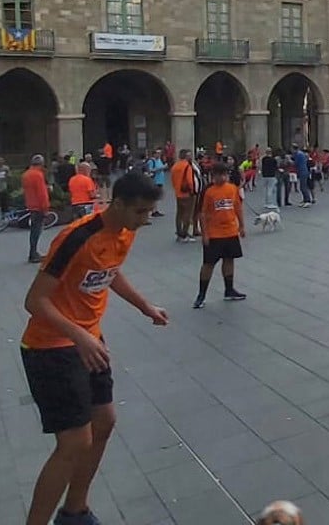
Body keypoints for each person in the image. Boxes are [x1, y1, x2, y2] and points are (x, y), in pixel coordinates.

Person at [20, 173, 168, 525]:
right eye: (140, 212)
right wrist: (80, 336)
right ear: (117, 204)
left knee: (104, 421)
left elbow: (110, 272)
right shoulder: (75, 238)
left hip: (89, 341)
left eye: (149, 213)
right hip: (50, 347)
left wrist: (144, 306)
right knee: (73, 443)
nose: (146, 220)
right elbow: (34, 300)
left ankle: (75, 510)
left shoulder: (124, 233)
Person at [194, 163, 247, 309]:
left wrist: (241, 225)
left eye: (225, 174)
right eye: (219, 175)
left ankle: (229, 289)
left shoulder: (232, 188)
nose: (223, 177)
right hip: (214, 234)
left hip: (230, 231)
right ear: (213, 176)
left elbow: (237, 207)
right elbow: (202, 214)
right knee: (208, 264)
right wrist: (204, 233)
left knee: (229, 260)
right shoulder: (208, 191)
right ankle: (201, 294)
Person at [23, 155, 51, 264]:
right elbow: (42, 193)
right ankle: (33, 254)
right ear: (41, 163)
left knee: (34, 231)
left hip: (31, 204)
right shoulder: (38, 175)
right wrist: (46, 208)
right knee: (36, 231)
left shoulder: (26, 174)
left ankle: (33, 252)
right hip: (38, 206)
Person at [146, 150, 167, 217]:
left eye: (160, 153)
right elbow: (150, 170)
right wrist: (161, 168)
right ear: (154, 154)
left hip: (160, 180)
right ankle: (153, 210)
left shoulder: (159, 160)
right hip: (154, 180)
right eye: (157, 153)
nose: (159, 155)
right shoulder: (151, 161)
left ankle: (155, 210)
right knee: (154, 196)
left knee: (156, 196)